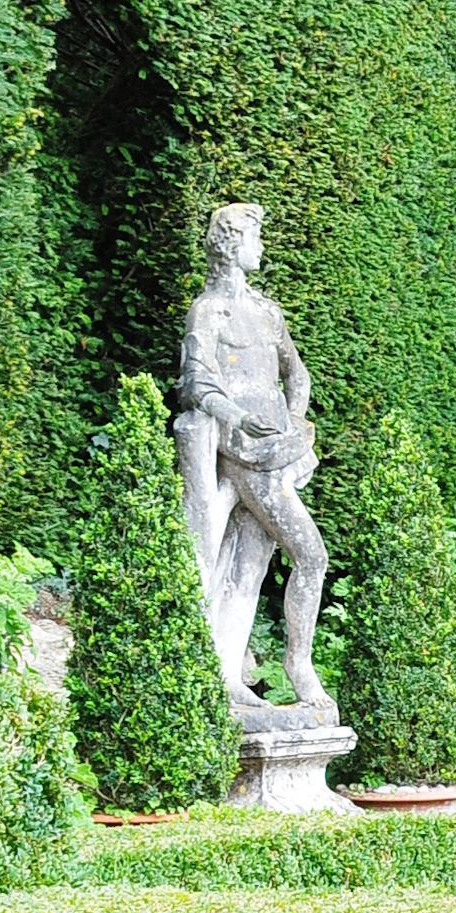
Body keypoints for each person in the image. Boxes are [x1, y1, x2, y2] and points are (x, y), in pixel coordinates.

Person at [173, 203, 333, 715]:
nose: (260, 246)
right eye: (254, 236)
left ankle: (227, 673)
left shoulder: (267, 311)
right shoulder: (209, 311)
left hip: (279, 450)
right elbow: (195, 383)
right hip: (242, 453)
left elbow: (298, 375)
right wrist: (239, 419)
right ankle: (299, 668)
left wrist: (293, 425)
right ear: (228, 244)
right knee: (310, 555)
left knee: (248, 566)